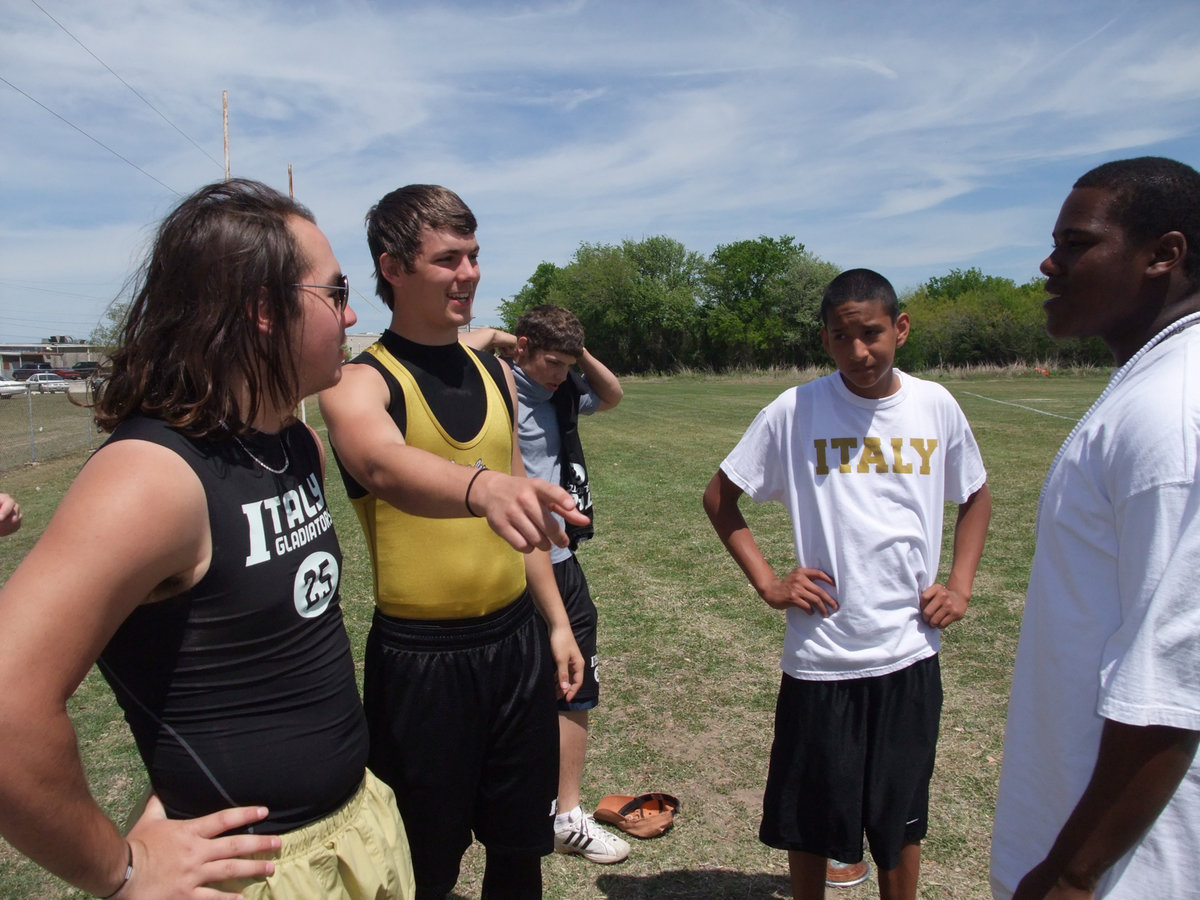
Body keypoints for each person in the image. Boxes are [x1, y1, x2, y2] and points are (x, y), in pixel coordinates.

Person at [0, 179, 415, 899]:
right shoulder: (151, 479)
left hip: (358, 832)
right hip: (256, 876)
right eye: (336, 290)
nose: (351, 313)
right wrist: (120, 871)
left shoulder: (294, 443)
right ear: (261, 311)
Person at [319, 184, 586, 900]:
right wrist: (480, 487)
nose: (468, 273)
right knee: (421, 867)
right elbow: (381, 464)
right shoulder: (357, 382)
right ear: (393, 268)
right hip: (421, 665)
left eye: (472, 255)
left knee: (518, 852)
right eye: (447, 259)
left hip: (514, 645)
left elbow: (523, 513)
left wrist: (557, 624)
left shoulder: (495, 371)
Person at [703, 268, 991, 900]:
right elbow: (720, 496)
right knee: (810, 822)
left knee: (900, 821)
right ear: (825, 339)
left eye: (872, 334)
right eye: (841, 337)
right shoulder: (796, 409)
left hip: (908, 650)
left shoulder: (934, 404)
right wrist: (769, 583)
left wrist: (960, 585)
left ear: (901, 328)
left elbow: (975, 493)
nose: (858, 352)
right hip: (822, 656)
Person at [990, 157, 1200, 900]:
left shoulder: (1173, 411)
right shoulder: (1150, 385)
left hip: (1132, 870)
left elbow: (1177, 680)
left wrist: (1073, 873)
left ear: (1163, 255)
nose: (1049, 264)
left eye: (1077, 244)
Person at [464, 306, 629, 865]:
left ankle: (566, 814)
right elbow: (472, 343)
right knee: (507, 688)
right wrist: (514, 343)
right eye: (551, 362)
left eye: (567, 365)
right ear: (525, 346)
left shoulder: (561, 391)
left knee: (576, 681)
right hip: (505, 560)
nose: (560, 375)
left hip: (557, 558)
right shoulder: (495, 382)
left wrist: (574, 355)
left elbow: (613, 396)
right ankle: (501, 808)